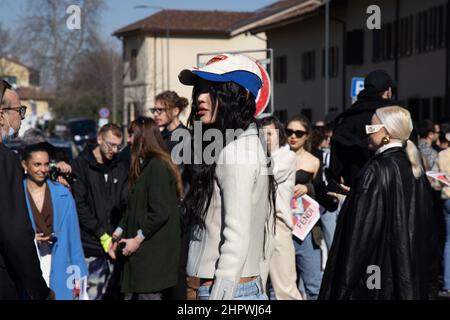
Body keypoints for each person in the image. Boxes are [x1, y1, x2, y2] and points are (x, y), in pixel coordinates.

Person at [179, 53, 274, 300]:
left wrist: (220, 297)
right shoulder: (241, 145)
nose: (200, 98)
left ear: (238, 95)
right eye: (199, 89)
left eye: (212, 90)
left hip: (225, 291)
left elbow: (236, 237)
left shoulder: (236, 152)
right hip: (233, 288)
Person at [319, 106, 439, 300]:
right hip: (408, 272)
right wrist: (357, 197)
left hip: (376, 273)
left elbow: (361, 237)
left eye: (371, 128)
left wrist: (342, 288)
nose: (367, 132)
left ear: (387, 133)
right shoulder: (413, 167)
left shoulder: (376, 169)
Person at [111, 117, 183, 300]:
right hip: (142, 256)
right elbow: (135, 205)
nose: (128, 140)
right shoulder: (145, 166)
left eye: (131, 135)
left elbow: (160, 211)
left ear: (142, 139)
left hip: (151, 258)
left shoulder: (157, 167)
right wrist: (118, 232)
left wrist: (137, 239)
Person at [0, 79, 53, 299]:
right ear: (2, 114)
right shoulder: (6, 160)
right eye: (19, 110)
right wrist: (41, 291)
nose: (22, 117)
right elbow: (15, 234)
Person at [21, 143, 88, 300]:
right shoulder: (15, 193)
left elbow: (74, 240)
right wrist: (30, 238)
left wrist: (80, 277)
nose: (43, 169)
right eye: (37, 164)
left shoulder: (63, 193)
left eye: (46, 164)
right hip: (28, 264)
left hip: (60, 263)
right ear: (25, 164)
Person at [71, 123, 129, 300]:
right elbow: (80, 205)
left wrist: (118, 233)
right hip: (91, 245)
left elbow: (125, 202)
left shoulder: (120, 166)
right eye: (110, 144)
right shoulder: (81, 165)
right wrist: (101, 234)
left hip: (116, 244)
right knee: (93, 293)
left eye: (119, 146)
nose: (114, 150)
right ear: (99, 139)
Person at [329, 70, 398, 187]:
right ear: (389, 92)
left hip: (356, 188)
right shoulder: (395, 117)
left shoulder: (348, 118)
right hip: (391, 187)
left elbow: (336, 164)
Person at [260, 115, 303, 300]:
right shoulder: (257, 157)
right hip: (257, 225)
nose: (266, 138)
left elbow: (268, 176)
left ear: (279, 134)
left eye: (270, 134)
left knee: (285, 289)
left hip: (278, 225)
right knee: (255, 287)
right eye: (262, 134)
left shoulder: (287, 156)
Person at [286, 115, 323, 300]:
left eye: (298, 133)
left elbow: (323, 195)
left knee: (314, 286)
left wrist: (307, 187)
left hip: (306, 230)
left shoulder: (314, 161)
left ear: (307, 136)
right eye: (289, 132)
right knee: (281, 287)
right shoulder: (276, 158)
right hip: (281, 228)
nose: (293, 136)